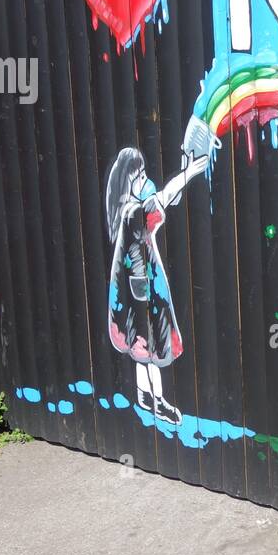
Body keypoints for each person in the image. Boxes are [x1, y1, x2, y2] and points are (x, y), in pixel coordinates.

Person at [104, 143, 208, 425]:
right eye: (139, 177)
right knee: (151, 348)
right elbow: (161, 199)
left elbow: (160, 199)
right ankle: (158, 401)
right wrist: (186, 174)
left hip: (132, 290)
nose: (145, 180)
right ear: (129, 180)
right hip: (142, 290)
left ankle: (144, 395)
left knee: (139, 350)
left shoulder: (124, 208)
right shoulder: (133, 213)